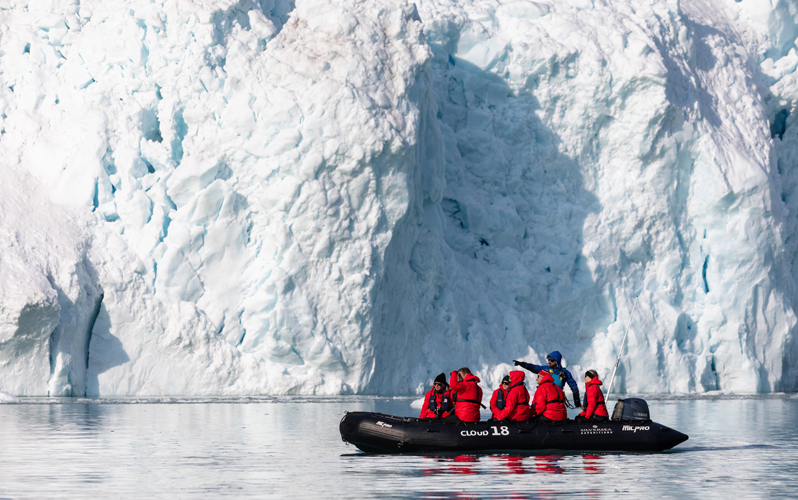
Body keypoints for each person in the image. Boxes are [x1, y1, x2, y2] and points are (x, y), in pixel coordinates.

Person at [513, 351, 580, 408]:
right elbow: (534, 368)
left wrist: (577, 401)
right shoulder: (546, 369)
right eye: (549, 360)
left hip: (557, 400)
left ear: (557, 361)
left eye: (552, 360)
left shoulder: (565, 373)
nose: (549, 361)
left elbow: (574, 386)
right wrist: (522, 364)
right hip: (545, 399)